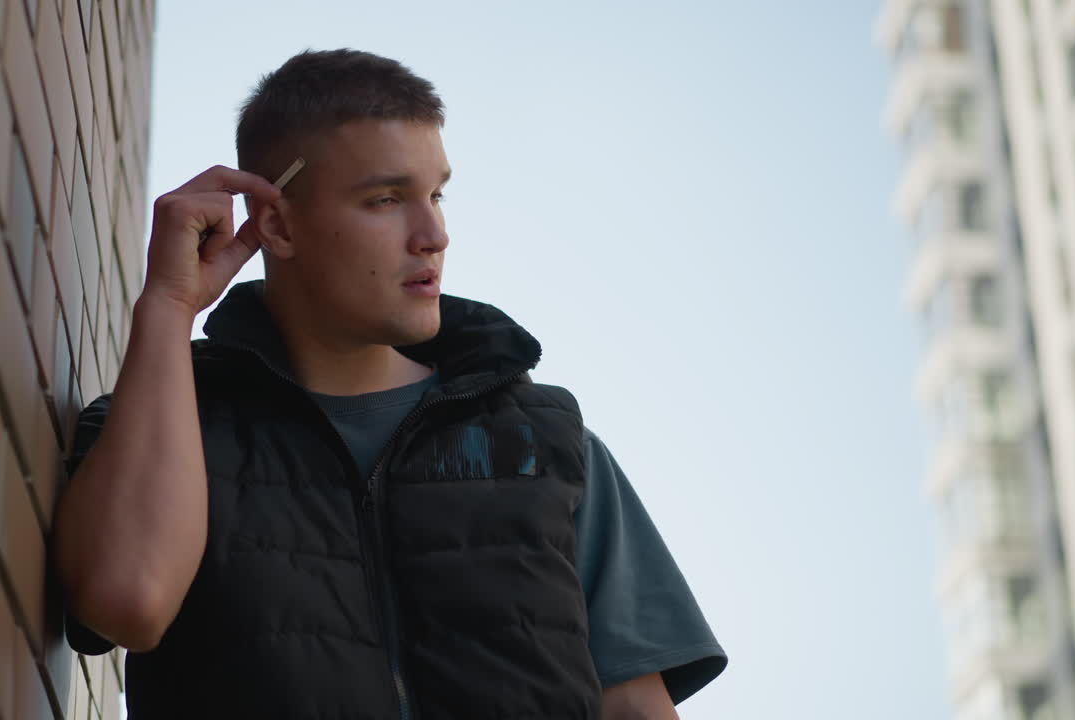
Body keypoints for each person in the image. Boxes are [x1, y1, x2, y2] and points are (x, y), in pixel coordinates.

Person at [52, 48, 726, 719]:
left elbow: (636, 710)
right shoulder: (161, 430)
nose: (435, 234)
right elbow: (128, 601)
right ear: (279, 224)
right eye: (386, 199)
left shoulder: (545, 444)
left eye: (436, 194)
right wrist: (169, 307)